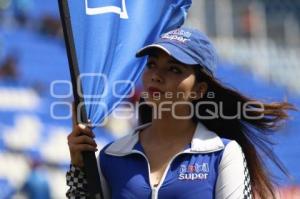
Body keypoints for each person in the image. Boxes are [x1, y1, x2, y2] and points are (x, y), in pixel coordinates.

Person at [66, 27, 294, 199]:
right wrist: (79, 168)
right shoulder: (112, 156)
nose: (156, 75)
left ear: (199, 90)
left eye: (174, 69)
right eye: (152, 64)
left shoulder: (223, 154)